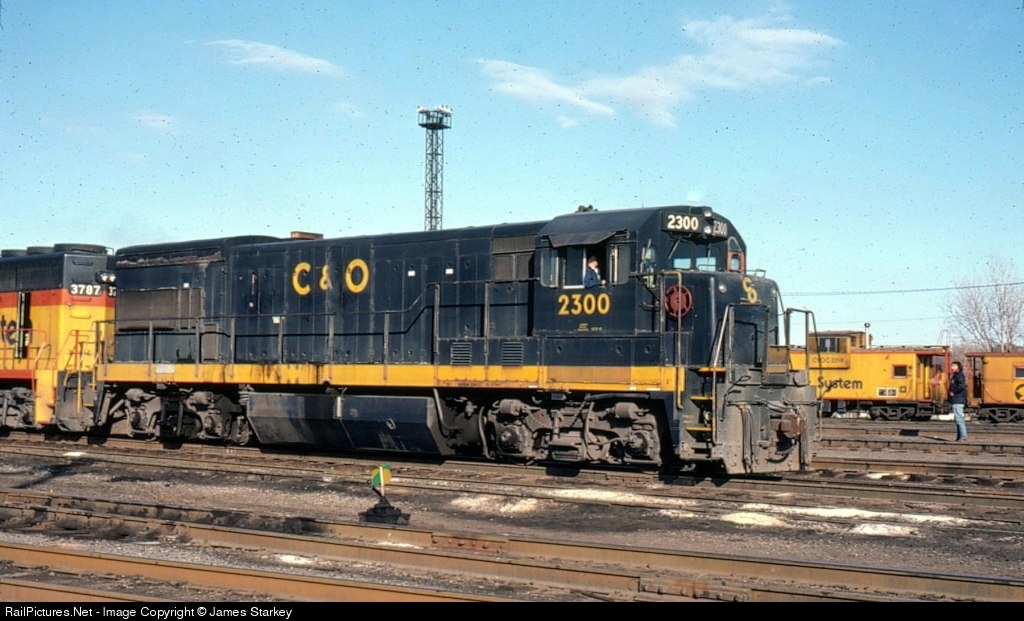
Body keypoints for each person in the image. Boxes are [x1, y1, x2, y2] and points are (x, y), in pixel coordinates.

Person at [947, 360, 968, 442]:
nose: (952, 367)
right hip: (956, 399)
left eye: (953, 366)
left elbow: (961, 386)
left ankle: (963, 436)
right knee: (957, 419)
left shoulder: (959, 376)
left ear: (958, 367)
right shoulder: (955, 376)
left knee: (959, 418)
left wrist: (953, 391)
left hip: (958, 400)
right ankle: (959, 436)